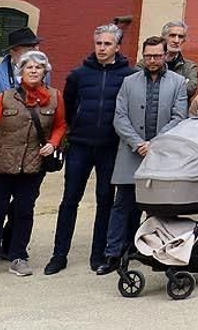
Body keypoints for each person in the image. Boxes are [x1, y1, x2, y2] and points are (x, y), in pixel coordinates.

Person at [47, 23, 134, 276]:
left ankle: (98, 254)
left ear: (117, 47)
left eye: (107, 44)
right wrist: (75, 130)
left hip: (110, 147)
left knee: (105, 201)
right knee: (69, 200)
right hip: (80, 146)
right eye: (99, 43)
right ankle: (59, 254)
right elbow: (70, 106)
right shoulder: (78, 75)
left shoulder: (128, 76)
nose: (102, 48)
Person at [0, 50, 66, 279]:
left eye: (38, 67)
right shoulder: (5, 97)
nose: (34, 71)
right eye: (29, 67)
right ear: (21, 71)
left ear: (45, 71)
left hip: (32, 166)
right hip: (1, 164)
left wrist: (53, 143)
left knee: (24, 212)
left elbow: (61, 124)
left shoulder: (55, 97)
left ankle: (18, 256)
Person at [105, 35, 189, 270]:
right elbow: (119, 117)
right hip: (131, 153)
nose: (152, 60)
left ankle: (156, 252)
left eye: (157, 56)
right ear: (143, 55)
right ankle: (113, 254)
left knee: (159, 207)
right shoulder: (128, 82)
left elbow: (179, 117)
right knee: (122, 205)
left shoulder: (178, 82)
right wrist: (137, 143)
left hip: (162, 157)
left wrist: (155, 143)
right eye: (148, 56)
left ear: (165, 56)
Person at [0, 28, 39, 109]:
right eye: (29, 50)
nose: (34, 55)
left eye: (35, 49)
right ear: (13, 51)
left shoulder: (44, 74)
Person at [160, 21, 198, 110]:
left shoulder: (190, 67)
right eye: (172, 35)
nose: (176, 40)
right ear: (164, 37)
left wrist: (158, 85)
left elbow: (190, 89)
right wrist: (180, 84)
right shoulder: (147, 62)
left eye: (180, 37)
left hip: (179, 117)